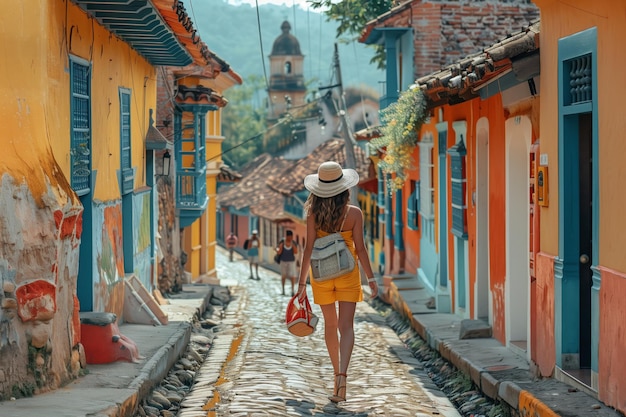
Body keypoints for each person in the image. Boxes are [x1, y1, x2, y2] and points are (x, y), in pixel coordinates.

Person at [295, 161, 379, 403]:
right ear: (344, 188)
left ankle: (335, 375)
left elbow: (308, 249)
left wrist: (302, 285)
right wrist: (371, 278)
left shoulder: (313, 214)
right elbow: (361, 249)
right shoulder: (354, 214)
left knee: (330, 327)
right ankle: (342, 377)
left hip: (321, 276)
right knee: (347, 327)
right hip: (348, 274)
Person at [276, 230, 298, 296]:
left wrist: (293, 245)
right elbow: (279, 252)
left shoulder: (293, 243)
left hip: (291, 261)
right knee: (283, 276)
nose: (290, 238)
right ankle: (283, 290)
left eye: (291, 237)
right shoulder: (282, 243)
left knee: (292, 276)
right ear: (287, 236)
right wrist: (277, 250)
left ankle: (292, 290)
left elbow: (296, 252)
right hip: (283, 261)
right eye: (289, 237)